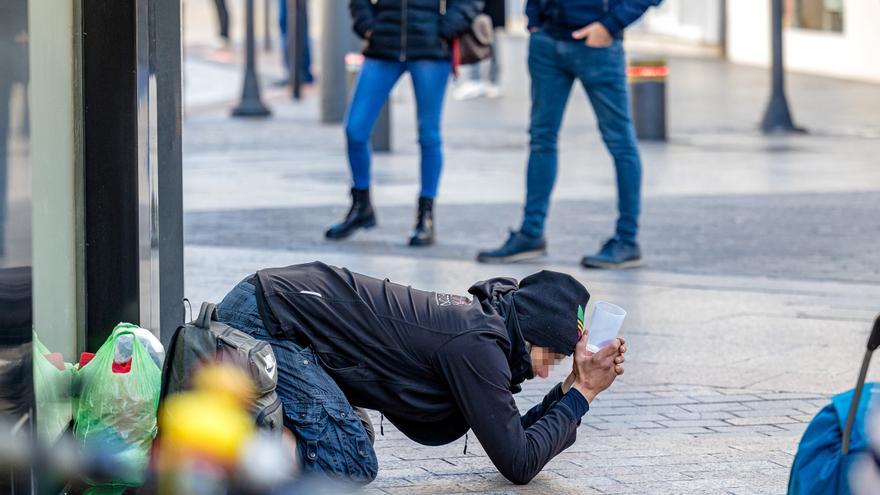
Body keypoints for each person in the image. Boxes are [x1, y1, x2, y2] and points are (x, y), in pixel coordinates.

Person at [216, 262, 627, 484]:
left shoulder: (485, 330)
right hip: (267, 320)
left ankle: (235, 431)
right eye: (550, 356)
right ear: (530, 335)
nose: (544, 372)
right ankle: (215, 454)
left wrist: (573, 389)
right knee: (346, 459)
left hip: (277, 309)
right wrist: (582, 395)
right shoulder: (477, 347)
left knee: (350, 439)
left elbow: (511, 437)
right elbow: (518, 462)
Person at [477, 0, 660, 269]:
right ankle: (531, 233)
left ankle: (627, 240)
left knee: (620, 143)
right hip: (547, 42)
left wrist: (609, 26)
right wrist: (534, 18)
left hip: (598, 46)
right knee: (541, 139)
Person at [326, 0, 484, 246]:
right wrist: (368, 27)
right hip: (383, 45)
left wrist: (445, 28)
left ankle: (426, 216)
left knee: (428, 135)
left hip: (430, 48)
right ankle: (361, 207)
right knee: (355, 129)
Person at [452, 0, 506, 100]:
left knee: (491, 40)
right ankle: (475, 80)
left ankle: (492, 81)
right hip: (477, 9)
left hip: (489, 9)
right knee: (475, 39)